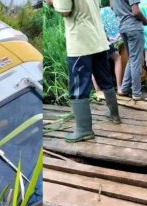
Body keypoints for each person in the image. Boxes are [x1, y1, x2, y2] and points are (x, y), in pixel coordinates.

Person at [48, 0, 122, 142]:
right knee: (105, 79)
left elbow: (65, 11)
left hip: (80, 42)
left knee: (78, 86)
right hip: (99, 39)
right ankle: (114, 115)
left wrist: (52, 2)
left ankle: (84, 130)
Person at [113, 0, 147, 101]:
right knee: (136, 61)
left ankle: (124, 89)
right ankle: (136, 93)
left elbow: (113, 8)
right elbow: (136, 11)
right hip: (133, 27)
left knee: (132, 59)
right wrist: (145, 21)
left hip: (123, 27)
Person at [94, 0, 123, 94]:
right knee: (117, 58)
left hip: (89, 40)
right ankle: (119, 87)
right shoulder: (105, 11)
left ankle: (97, 90)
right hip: (103, 40)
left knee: (90, 62)